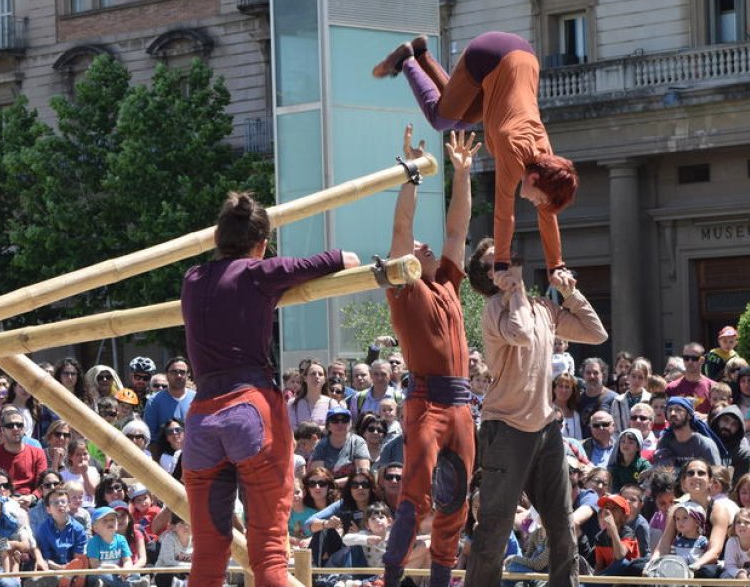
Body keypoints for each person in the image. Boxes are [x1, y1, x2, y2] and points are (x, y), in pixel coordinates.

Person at [179, 190, 358, 587]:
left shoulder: (192, 280)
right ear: (261, 245)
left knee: (207, 552)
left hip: (202, 418)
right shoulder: (260, 273)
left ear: (216, 239)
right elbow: (341, 260)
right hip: (250, 409)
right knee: (270, 553)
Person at [371, 31, 578, 275]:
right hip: (490, 54)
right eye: (538, 199)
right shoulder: (514, 153)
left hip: (520, 60)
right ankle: (406, 60)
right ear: (533, 179)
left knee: (459, 119)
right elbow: (504, 214)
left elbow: (547, 216)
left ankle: (422, 54)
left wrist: (557, 266)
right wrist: (501, 264)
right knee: (439, 118)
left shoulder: (545, 156)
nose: (534, 203)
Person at [463, 236, 607, 587]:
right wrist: (513, 293)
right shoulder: (495, 307)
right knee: (495, 528)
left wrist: (570, 293)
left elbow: (596, 333)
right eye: (499, 260)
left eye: (510, 255)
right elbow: (521, 335)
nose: (510, 258)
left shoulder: (545, 307)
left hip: (546, 429)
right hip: (506, 428)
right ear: (490, 275)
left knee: (562, 524)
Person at [376, 128, 478, 587]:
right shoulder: (406, 292)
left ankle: (439, 582)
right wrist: (412, 175)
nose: (426, 245)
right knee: (415, 496)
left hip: (461, 406)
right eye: (419, 248)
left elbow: (458, 227)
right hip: (426, 404)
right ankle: (392, 578)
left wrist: (462, 173)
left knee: (456, 501)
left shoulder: (449, 286)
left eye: (425, 246)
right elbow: (401, 233)